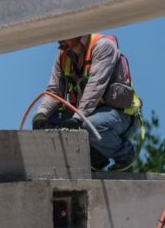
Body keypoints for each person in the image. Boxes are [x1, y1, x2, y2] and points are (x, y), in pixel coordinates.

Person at [31, 34, 142, 171]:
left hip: (119, 115)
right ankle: (96, 159)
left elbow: (95, 87)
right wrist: (41, 114)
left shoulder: (103, 46)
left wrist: (77, 118)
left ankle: (125, 153)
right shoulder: (64, 56)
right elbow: (54, 91)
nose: (58, 37)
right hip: (87, 113)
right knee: (51, 121)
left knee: (91, 125)